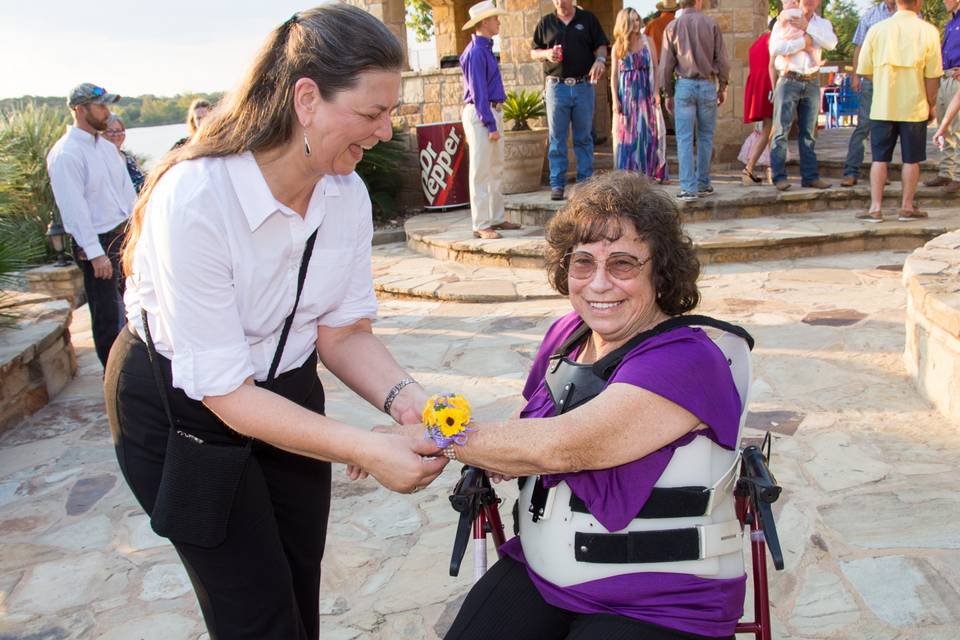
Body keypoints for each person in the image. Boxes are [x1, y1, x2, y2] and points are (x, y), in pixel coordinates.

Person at [104, 7, 448, 639]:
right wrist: (365, 449)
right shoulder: (196, 197)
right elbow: (225, 393)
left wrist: (409, 403)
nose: (384, 130)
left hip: (287, 387)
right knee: (254, 614)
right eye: (372, 113)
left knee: (298, 588)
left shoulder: (345, 193)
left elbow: (343, 335)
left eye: (389, 112)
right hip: (184, 406)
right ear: (306, 99)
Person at [436, 171, 746, 640]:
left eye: (623, 263)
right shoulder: (566, 336)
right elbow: (531, 428)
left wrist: (436, 437)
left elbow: (564, 447)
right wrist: (500, 454)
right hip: (547, 571)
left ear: (659, 271)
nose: (599, 283)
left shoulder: (689, 359)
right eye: (583, 263)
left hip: (660, 599)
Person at [47, 83, 137, 368]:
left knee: (134, 305)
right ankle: (114, 375)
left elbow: (126, 194)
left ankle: (136, 368)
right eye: (100, 106)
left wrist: (138, 232)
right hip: (97, 242)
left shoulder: (106, 148)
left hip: (123, 233)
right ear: (79, 109)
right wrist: (95, 252)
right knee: (107, 315)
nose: (107, 112)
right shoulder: (66, 154)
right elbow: (74, 209)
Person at [854, 0, 941, 223]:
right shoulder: (928, 31)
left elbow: (864, 69)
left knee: (879, 158)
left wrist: (883, 81)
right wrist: (931, 104)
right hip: (914, 105)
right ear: (918, 3)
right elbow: (932, 76)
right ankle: (906, 207)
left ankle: (875, 208)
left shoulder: (877, 30)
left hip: (883, 104)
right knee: (911, 159)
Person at [532, 0, 610, 201]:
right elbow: (534, 51)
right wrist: (547, 54)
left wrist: (600, 61)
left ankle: (585, 185)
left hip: (583, 86)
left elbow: (601, 45)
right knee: (557, 138)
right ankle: (557, 184)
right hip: (556, 87)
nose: (560, 2)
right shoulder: (545, 23)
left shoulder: (588, 19)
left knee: (583, 138)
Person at [460, 0, 521, 240]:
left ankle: (495, 218)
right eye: (495, 19)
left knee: (495, 169)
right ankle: (481, 224)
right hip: (482, 114)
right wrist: (491, 124)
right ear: (484, 22)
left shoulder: (484, 49)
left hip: (490, 112)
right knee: (480, 172)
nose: (498, 22)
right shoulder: (475, 52)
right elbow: (478, 93)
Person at [660, 0, 729, 202]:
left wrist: (668, 93)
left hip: (684, 85)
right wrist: (722, 86)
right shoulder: (711, 24)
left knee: (684, 138)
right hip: (707, 84)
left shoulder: (672, 27)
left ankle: (688, 188)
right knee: (706, 136)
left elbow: (665, 66)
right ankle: (703, 183)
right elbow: (723, 61)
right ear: (698, 1)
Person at [768, 0, 837, 192]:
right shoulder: (786, 19)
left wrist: (808, 29)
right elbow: (775, 49)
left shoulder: (822, 24)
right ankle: (779, 177)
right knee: (781, 130)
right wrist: (803, 43)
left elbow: (831, 43)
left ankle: (810, 176)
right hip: (789, 79)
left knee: (808, 132)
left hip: (812, 81)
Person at [611, 8, 668, 182]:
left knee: (647, 133)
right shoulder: (618, 46)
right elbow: (613, 75)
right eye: (632, 21)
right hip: (626, 96)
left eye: (637, 20)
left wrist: (657, 91)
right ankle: (628, 175)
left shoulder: (648, 41)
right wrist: (615, 100)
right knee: (627, 135)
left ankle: (648, 173)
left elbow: (656, 68)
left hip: (645, 92)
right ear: (624, 23)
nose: (636, 24)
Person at [924, 0, 960, 192]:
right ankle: (946, 172)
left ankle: (958, 175)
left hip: (957, 77)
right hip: (946, 76)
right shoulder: (951, 23)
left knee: (958, 128)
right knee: (945, 127)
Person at [741, 18, 778, 185]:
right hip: (769, 85)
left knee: (768, 130)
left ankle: (770, 171)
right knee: (769, 129)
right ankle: (748, 169)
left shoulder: (757, 43)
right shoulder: (775, 41)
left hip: (757, 86)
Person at [104, 114, 146, 194]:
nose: (115, 134)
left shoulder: (130, 158)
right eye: (110, 131)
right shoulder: (100, 160)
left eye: (119, 130)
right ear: (101, 134)